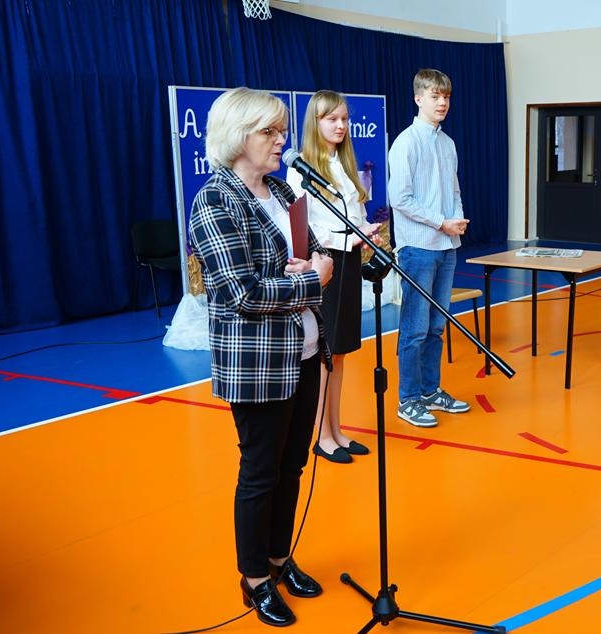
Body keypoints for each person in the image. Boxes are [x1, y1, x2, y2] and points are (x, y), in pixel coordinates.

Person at [189, 87, 333, 628]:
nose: (281, 141)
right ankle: (253, 579)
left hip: (304, 351)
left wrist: (313, 266)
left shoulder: (282, 190)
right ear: (237, 136)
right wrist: (312, 281)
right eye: (269, 131)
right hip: (257, 363)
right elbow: (241, 293)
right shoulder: (214, 202)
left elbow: (314, 249)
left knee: (292, 465)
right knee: (260, 473)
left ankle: (278, 558)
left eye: (282, 130)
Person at [285, 90, 381, 464]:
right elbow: (304, 227)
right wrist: (347, 238)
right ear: (316, 122)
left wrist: (364, 231)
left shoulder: (342, 162)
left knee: (339, 354)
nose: (340, 126)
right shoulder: (302, 169)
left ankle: (337, 429)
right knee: (326, 353)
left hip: (350, 259)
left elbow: (351, 214)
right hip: (327, 263)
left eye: (344, 119)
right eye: (332, 119)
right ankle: (322, 436)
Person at [388, 68, 470, 428]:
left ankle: (430, 391)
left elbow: (454, 191)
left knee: (437, 326)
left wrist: (457, 220)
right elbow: (400, 198)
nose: (442, 103)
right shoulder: (406, 142)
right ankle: (408, 399)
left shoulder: (447, 143)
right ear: (418, 98)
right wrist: (440, 222)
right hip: (418, 248)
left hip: (447, 245)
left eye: (446, 96)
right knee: (415, 328)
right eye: (435, 96)